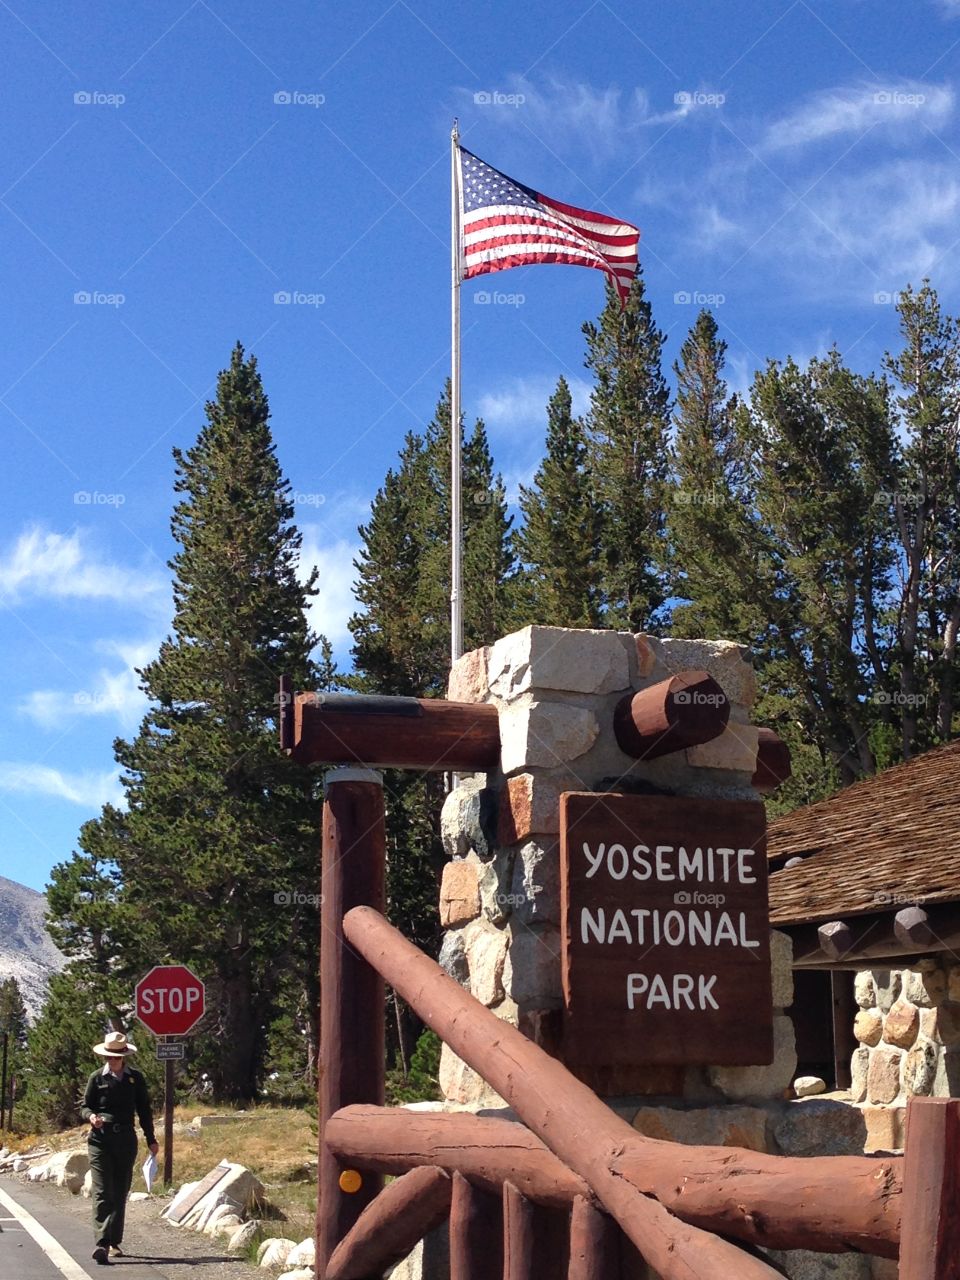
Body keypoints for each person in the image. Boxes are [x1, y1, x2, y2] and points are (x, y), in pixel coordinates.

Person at [81, 1031, 159, 1266]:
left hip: (125, 1139)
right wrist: (91, 1116)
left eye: (115, 1057)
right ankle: (102, 1244)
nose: (111, 1061)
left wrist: (151, 1139)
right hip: (100, 1140)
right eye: (108, 1057)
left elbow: (144, 1110)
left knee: (120, 1191)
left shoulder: (135, 1079)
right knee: (103, 1191)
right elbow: (85, 1106)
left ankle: (115, 1240)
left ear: (123, 1057)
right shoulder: (96, 1078)